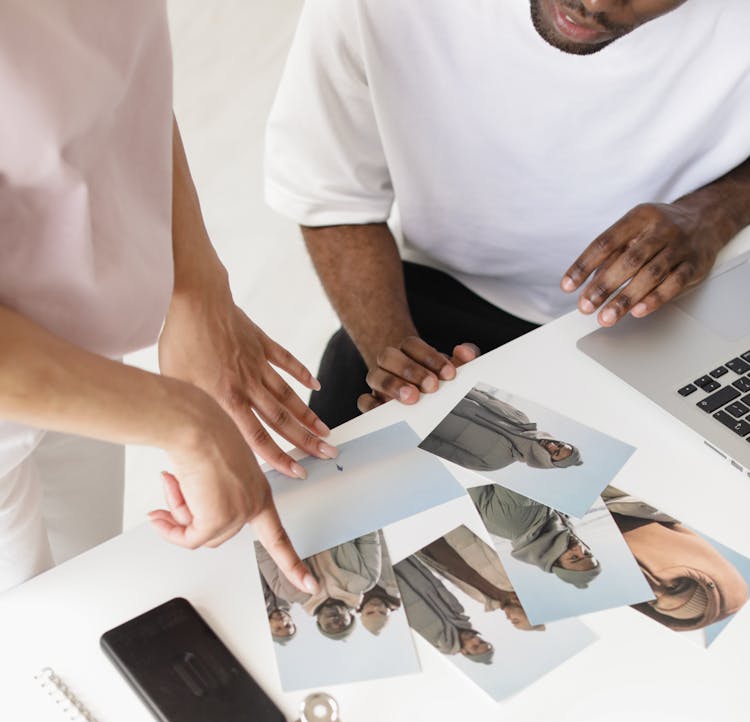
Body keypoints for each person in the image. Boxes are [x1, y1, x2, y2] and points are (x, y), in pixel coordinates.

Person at [265, 0, 750, 427]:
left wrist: (717, 210)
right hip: (437, 299)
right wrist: (400, 363)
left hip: (675, 313)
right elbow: (333, 191)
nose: (593, 3)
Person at [0, 1, 338, 595]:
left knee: (93, 585)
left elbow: (119, 84)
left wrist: (198, 288)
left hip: (81, 350)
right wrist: (188, 425)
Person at [602, 486, 748, 630]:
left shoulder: (592, 567)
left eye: (652, 600)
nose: (653, 588)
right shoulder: (641, 488)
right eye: (675, 586)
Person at [420, 387, 581, 474]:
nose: (553, 446)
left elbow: (438, 449)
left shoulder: (493, 463)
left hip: (420, 420)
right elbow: (485, 397)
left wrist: (414, 429)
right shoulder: (522, 419)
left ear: (547, 462)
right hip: (436, 390)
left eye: (555, 453)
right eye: (560, 445)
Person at [257, 531, 385, 639]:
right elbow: (368, 536)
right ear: (351, 615)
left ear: (318, 622)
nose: (335, 621)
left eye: (329, 626)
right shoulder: (367, 579)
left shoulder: (286, 591)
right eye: (342, 623)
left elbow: (262, 552)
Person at [470, 484, 601, 588]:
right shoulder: (552, 518)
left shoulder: (518, 520)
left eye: (574, 557)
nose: (579, 548)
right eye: (587, 553)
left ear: (554, 559)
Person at [419, 526, 544, 632]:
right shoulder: (513, 577)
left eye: (512, 622)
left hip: (424, 547)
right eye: (515, 620)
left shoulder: (484, 600)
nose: (508, 619)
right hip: (449, 528)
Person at [393, 555, 494, 663]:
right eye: (481, 641)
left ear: (464, 652)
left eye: (474, 646)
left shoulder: (433, 641)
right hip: (407, 563)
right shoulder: (458, 613)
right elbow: (435, 583)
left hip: (389, 579)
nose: (475, 639)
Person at [261, 573, 297, 644]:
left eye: (278, 628)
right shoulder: (291, 596)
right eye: (288, 625)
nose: (282, 622)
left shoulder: (253, 607)